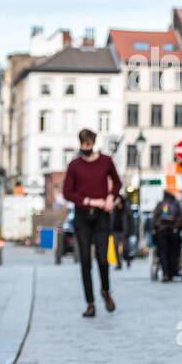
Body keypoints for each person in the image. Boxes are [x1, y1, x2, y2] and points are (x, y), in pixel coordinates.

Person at [61, 130, 121, 317]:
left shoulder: (106, 161)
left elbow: (117, 183)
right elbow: (67, 192)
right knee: (85, 261)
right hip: (82, 217)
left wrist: (111, 197)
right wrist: (88, 201)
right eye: (83, 144)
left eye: (88, 144)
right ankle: (90, 303)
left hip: (102, 216)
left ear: (94, 143)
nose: (86, 148)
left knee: (102, 258)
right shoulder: (74, 165)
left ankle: (105, 290)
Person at [150, 190, 182, 281]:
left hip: (161, 231)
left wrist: (155, 229)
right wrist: (179, 227)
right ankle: (173, 271)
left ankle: (165, 273)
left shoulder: (160, 204)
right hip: (174, 231)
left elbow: (154, 218)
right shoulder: (176, 204)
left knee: (162, 252)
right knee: (174, 251)